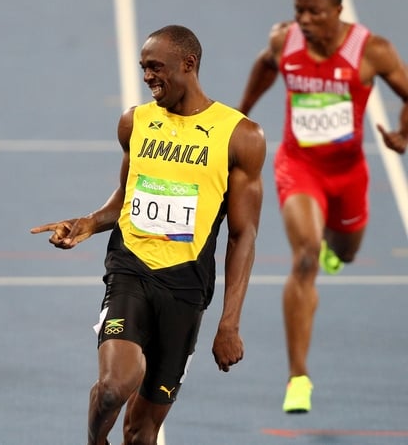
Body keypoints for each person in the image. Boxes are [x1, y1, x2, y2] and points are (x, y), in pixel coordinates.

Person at [31, 25, 266, 445]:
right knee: (114, 386)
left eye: (156, 67)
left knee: (142, 432)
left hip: (186, 287)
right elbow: (126, 197)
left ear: (188, 64)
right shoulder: (135, 123)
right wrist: (86, 223)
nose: (147, 77)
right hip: (130, 270)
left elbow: (243, 235)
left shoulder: (240, 136)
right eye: (143, 68)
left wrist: (229, 323)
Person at [237, 0, 408, 414]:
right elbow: (264, 66)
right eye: (299, 11)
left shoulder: (372, 51)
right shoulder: (285, 41)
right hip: (300, 167)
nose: (305, 20)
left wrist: (404, 134)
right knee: (305, 258)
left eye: (315, 11)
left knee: (344, 251)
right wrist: (239, 115)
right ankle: (298, 377)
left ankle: (336, 250)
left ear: (338, 10)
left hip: (349, 174)